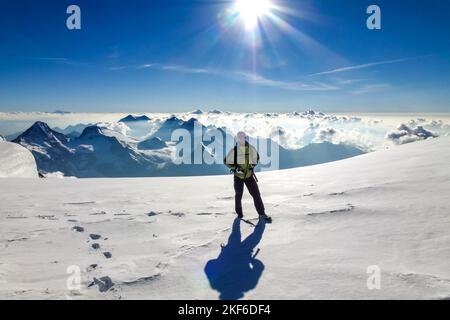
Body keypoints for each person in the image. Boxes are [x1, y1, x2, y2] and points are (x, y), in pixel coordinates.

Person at [224, 131, 271, 222]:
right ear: (237, 139)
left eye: (243, 137)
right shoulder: (234, 150)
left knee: (256, 195)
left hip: (249, 176)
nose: (241, 139)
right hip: (238, 177)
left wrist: (252, 165)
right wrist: (235, 168)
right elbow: (226, 161)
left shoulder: (250, 148)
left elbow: (256, 158)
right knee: (238, 196)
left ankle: (262, 214)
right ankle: (239, 215)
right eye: (239, 137)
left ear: (245, 138)